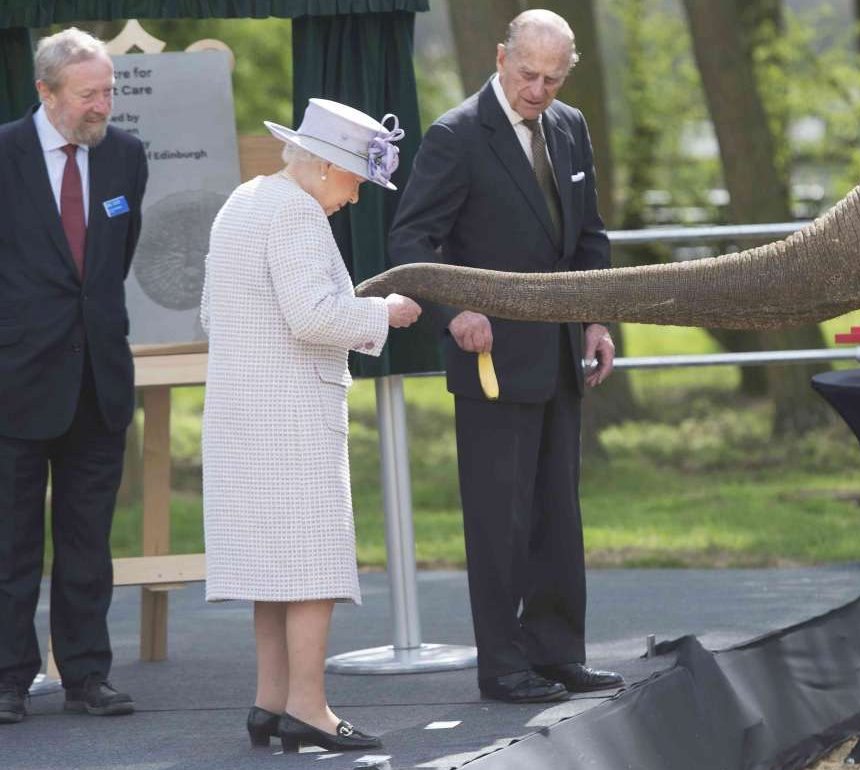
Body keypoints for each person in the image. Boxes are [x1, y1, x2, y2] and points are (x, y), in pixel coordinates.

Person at [388, 9, 622, 704]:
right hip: (489, 362)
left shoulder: (571, 127)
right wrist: (455, 309)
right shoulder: (456, 136)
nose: (538, 90)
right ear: (500, 58)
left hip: (558, 356)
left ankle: (557, 653)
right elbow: (411, 242)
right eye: (528, 74)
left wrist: (595, 321)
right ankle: (504, 666)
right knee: (500, 520)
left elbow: (588, 238)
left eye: (552, 78)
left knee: (558, 512)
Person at [201, 98, 421, 752]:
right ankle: (308, 707)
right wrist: (386, 313)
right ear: (325, 166)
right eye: (356, 179)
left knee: (272, 565)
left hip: (243, 410)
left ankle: (270, 702)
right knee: (312, 566)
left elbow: (213, 313)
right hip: (292, 413)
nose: (355, 197)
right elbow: (314, 317)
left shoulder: (244, 199)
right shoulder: (297, 211)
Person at [0, 28, 148, 724]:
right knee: (10, 541)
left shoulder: (125, 157)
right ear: (46, 92)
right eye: (88, 94)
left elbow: (112, 264)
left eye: (109, 90)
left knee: (89, 541)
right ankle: (7, 678)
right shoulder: (3, 155)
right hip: (14, 380)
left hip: (99, 378)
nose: (102, 105)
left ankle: (87, 676)